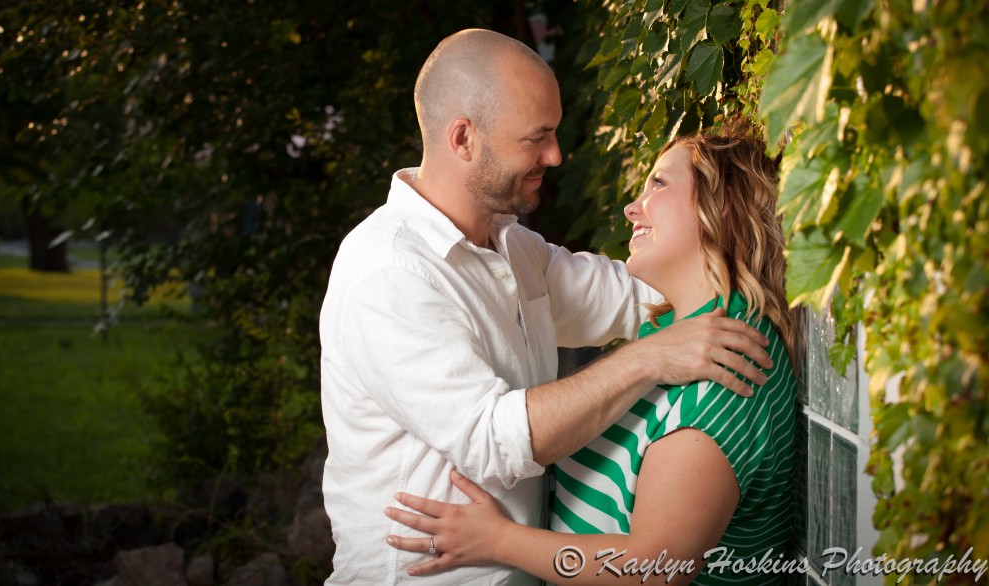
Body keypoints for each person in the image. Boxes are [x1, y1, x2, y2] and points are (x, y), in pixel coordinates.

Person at [320, 29, 774, 585]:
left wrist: (748, 249)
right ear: (463, 138)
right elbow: (492, 440)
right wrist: (649, 358)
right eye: (538, 138)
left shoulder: (513, 247)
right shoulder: (388, 273)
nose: (555, 156)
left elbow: (644, 294)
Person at [385, 130, 798, 585]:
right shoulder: (673, 336)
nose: (632, 207)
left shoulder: (727, 365)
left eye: (659, 184)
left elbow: (652, 571)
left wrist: (496, 541)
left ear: (723, 207)